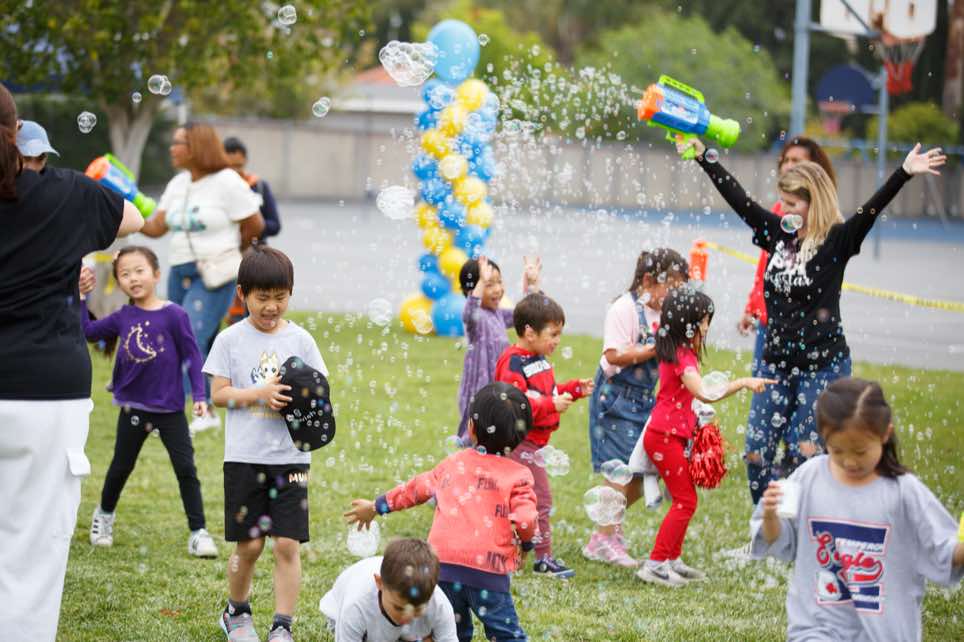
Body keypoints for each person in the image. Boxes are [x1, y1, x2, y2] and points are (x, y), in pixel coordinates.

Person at [683, 137, 944, 498]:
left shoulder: (838, 240)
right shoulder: (777, 233)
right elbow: (740, 201)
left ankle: (799, 523)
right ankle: (766, 523)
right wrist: (704, 159)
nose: (784, 209)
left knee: (805, 453)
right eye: (783, 201)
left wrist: (904, 172)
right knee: (756, 453)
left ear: (814, 202)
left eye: (793, 204)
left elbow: (871, 209)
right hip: (774, 364)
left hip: (822, 366)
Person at [0, 84, 144, 641]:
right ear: (16, 133)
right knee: (33, 553)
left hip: (41, 387)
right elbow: (133, 218)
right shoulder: (67, 192)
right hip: (47, 391)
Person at [751, 377, 963, 641]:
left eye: (860, 451)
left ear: (885, 434)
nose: (849, 461)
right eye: (837, 450)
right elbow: (779, 541)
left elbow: (944, 551)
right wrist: (771, 516)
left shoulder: (903, 491)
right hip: (816, 629)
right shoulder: (808, 477)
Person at [345, 382, 537, 642]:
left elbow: (414, 490)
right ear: (522, 434)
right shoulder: (519, 475)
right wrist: (525, 545)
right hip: (490, 572)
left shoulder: (453, 464)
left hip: (441, 568)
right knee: (506, 634)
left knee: (449, 631)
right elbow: (526, 519)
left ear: (471, 427)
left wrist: (376, 506)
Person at [204, 246, 327, 642]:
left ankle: (282, 626)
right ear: (242, 294)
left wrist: (302, 400)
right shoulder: (230, 340)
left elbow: (318, 389)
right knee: (251, 545)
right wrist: (260, 394)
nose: (272, 307)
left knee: (287, 544)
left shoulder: (301, 340)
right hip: (245, 458)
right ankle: (236, 613)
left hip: (291, 459)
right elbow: (219, 395)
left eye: (280, 297)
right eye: (262, 298)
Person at [77, 246, 217, 558]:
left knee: (186, 469)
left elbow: (193, 356)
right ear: (119, 282)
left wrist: (199, 396)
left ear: (156, 274)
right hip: (134, 409)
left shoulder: (175, 315)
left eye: (139, 271)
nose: (133, 278)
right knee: (120, 466)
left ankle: (199, 533)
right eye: (125, 274)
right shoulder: (124, 316)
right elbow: (89, 332)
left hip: (170, 411)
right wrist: (82, 297)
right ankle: (104, 516)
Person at [634, 286, 774, 587]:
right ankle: (656, 564)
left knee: (684, 499)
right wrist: (743, 382)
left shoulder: (675, 348)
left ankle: (671, 559)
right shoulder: (682, 356)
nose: (707, 326)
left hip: (670, 433)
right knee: (685, 500)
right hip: (665, 436)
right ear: (688, 322)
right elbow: (705, 392)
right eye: (704, 320)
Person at [140, 122, 265, 434]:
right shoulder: (178, 183)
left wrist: (232, 250)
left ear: (197, 146)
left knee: (191, 337)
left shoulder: (227, 181)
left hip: (214, 273)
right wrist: (121, 208)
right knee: (179, 339)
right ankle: (194, 406)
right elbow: (156, 227)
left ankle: (203, 409)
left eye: (179, 142)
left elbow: (255, 223)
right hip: (179, 271)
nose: (172, 148)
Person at [736, 137, 837, 506]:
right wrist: (753, 305)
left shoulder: (828, 232)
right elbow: (765, 268)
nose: (790, 165)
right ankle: (767, 515)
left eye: (798, 161)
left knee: (804, 439)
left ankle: (796, 502)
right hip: (771, 334)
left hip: (813, 350)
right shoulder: (781, 220)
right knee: (761, 435)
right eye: (786, 160)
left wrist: (904, 172)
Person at [583, 248, 689, 568]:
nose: (674, 296)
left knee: (644, 471)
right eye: (671, 287)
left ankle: (605, 530)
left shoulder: (664, 313)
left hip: (644, 399)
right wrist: (654, 349)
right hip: (615, 396)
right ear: (647, 281)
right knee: (620, 470)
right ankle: (605, 538)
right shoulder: (625, 308)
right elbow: (613, 355)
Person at [495, 293, 593, 579]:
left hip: (535, 444)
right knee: (540, 499)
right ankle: (542, 558)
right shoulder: (513, 363)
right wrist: (551, 405)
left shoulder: (539, 359)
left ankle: (517, 550)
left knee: (523, 500)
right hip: (520, 443)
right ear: (529, 333)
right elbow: (516, 403)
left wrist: (573, 389)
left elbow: (546, 392)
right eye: (553, 334)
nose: (558, 340)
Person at [456, 254, 541, 439]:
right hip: (479, 391)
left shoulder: (498, 314)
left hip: (499, 387)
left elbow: (525, 314)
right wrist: (480, 283)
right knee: (477, 437)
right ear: (473, 290)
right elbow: (469, 311)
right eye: (489, 284)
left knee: (500, 436)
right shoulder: (475, 317)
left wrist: (532, 285)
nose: (497, 289)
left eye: (499, 282)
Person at [318, 538, 458, 642]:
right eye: (399, 608)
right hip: (339, 616)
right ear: (380, 583)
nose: (407, 618)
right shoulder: (356, 606)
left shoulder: (439, 605)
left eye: (417, 610)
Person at [223, 136, 282, 324]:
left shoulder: (258, 186)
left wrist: (253, 226)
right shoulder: (218, 189)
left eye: (239, 166)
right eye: (229, 167)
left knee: (252, 307)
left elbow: (275, 225)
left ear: (246, 160)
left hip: (253, 256)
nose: (235, 172)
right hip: (224, 256)